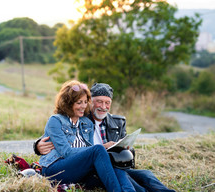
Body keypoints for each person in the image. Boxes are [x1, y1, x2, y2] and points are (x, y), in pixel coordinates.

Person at [35, 82, 175, 192]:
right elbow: (62, 145)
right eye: (80, 102)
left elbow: (120, 155)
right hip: (59, 166)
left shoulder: (87, 123)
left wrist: (124, 150)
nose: (103, 106)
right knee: (102, 152)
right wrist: (37, 146)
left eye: (107, 102)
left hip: (101, 165)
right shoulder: (58, 120)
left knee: (144, 174)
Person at [39, 80, 135, 192]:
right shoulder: (55, 121)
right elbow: (66, 152)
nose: (83, 106)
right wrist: (102, 147)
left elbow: (92, 156)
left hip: (77, 170)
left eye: (85, 102)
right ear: (68, 103)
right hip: (55, 169)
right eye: (79, 102)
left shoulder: (86, 123)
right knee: (99, 149)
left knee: (112, 158)